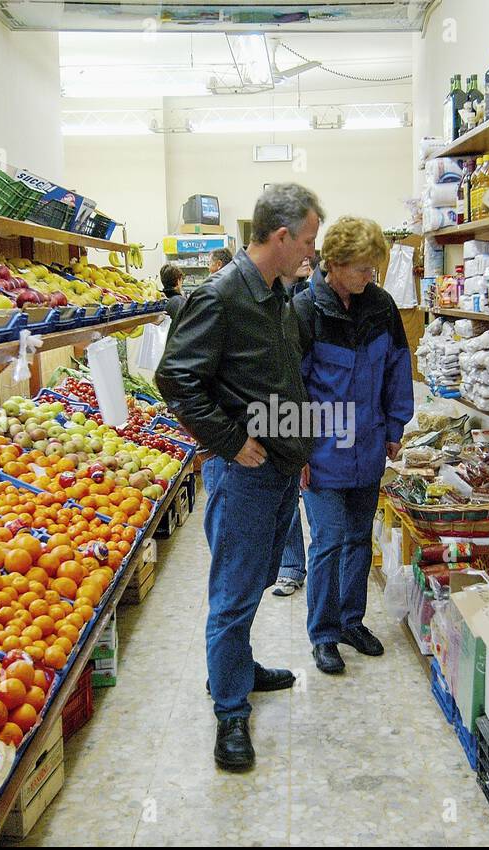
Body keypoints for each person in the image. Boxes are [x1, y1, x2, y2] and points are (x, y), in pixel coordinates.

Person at [156, 183, 324, 772]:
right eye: (306, 240)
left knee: (252, 583)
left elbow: (279, 379)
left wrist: (297, 442)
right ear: (279, 237)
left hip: (278, 465)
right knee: (232, 592)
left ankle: (240, 669)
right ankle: (229, 708)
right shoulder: (221, 297)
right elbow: (175, 379)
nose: (311, 250)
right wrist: (229, 441)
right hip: (245, 471)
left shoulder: (280, 293)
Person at [292, 217, 414, 675]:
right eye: (363, 268)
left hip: (368, 448)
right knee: (327, 541)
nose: (371, 277)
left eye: (374, 269)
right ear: (335, 264)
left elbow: (397, 369)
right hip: (322, 451)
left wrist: (395, 428)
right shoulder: (305, 312)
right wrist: (297, 449)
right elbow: (292, 387)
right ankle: (323, 635)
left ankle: (351, 621)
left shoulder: (381, 306)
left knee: (359, 540)